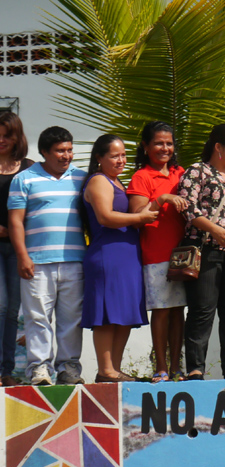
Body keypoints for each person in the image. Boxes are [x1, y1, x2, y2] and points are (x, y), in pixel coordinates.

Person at [177, 123, 225, 380]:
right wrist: (216, 231)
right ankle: (195, 368)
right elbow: (189, 209)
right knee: (202, 310)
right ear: (218, 147)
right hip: (206, 251)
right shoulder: (197, 172)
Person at [8, 126, 86, 386]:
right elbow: (16, 222)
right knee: (37, 318)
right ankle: (39, 370)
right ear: (44, 152)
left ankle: (68, 368)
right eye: (60, 151)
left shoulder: (82, 178)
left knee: (71, 319)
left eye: (69, 150)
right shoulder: (24, 178)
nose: (66, 155)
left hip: (75, 260)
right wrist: (22, 256)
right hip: (37, 262)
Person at [80, 134, 156, 382]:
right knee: (106, 315)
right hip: (107, 256)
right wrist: (139, 219)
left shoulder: (119, 182)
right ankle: (105, 369)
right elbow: (105, 217)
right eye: (114, 155)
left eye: (123, 155)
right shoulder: (99, 181)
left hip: (128, 256)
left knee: (123, 313)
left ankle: (114, 368)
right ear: (99, 157)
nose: (120, 160)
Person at [127, 121, 189, 383]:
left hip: (184, 253)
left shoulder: (180, 172)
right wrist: (161, 199)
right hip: (156, 252)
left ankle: (177, 368)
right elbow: (137, 215)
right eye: (158, 143)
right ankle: (160, 367)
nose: (165, 148)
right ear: (145, 146)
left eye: (169, 143)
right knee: (162, 311)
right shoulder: (141, 176)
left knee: (178, 311)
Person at [0, 112, 33, 385]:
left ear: (17, 136)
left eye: (7, 135)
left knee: (13, 310)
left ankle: (6, 371)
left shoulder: (30, 168)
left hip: (19, 248)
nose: (2, 140)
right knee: (0, 306)